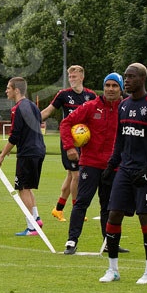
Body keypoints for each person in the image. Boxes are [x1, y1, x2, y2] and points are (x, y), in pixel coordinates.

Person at [99, 63, 147, 285]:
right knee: (113, 215)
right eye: (125, 77)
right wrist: (111, 165)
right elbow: (120, 139)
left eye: (130, 77)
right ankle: (113, 269)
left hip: (145, 171)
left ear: (142, 79)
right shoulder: (123, 106)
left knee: (145, 217)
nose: (126, 81)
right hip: (124, 171)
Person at [59, 72, 123, 255]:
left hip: (113, 165)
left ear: (120, 88)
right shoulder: (91, 106)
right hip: (90, 163)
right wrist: (70, 147)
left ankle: (109, 242)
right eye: (108, 85)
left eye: (114, 86)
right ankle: (71, 241)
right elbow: (66, 123)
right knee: (81, 202)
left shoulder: (125, 108)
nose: (110, 89)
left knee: (108, 205)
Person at [40, 66, 97, 221]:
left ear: (82, 77)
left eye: (74, 76)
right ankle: (76, 211)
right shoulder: (64, 95)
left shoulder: (91, 96)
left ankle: (58, 209)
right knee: (77, 175)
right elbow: (48, 111)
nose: (71, 79)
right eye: (70, 76)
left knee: (71, 176)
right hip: (69, 142)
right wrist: (32, 120)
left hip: (84, 142)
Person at [0, 77, 47, 236]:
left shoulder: (17, 108)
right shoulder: (33, 106)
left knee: (22, 188)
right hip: (39, 150)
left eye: (8, 88)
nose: (6, 91)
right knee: (27, 187)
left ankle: (31, 227)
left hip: (28, 152)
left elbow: (14, 136)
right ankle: (36, 219)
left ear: (16, 90)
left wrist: (2, 155)